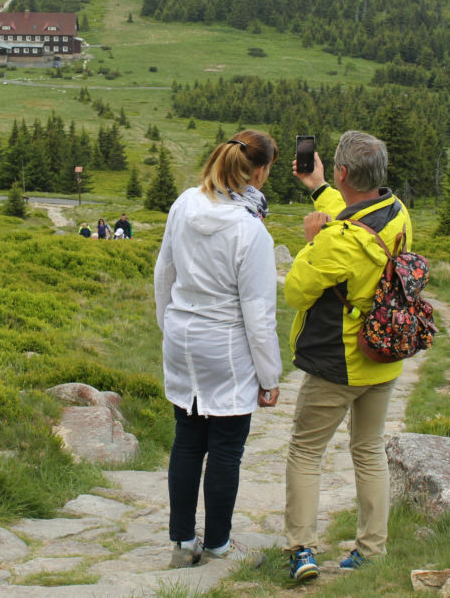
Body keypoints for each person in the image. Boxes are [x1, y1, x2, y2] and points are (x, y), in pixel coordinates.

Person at [282, 130, 412, 582]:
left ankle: (302, 550)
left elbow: (297, 291)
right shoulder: (397, 214)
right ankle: (372, 549)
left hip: (339, 363)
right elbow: (355, 220)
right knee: (369, 449)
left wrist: (311, 240)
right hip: (384, 357)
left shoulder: (335, 241)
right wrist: (318, 187)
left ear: (343, 172)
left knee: (305, 451)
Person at [154, 129, 282, 570]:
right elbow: (259, 315)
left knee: (187, 440)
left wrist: (169, 327)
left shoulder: (184, 204)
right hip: (226, 347)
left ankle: (182, 541)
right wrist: (269, 378)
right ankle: (219, 544)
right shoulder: (251, 231)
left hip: (182, 336)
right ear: (260, 172)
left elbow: (163, 273)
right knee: (226, 448)